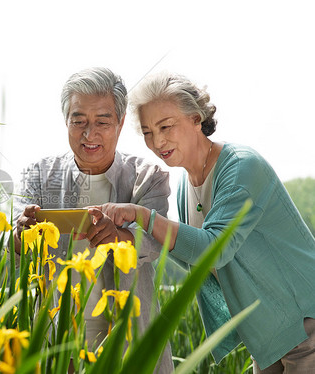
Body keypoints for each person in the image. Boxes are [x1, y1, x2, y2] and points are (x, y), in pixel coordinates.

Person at [94, 71, 315, 373]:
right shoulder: (186, 186)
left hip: (304, 326)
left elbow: (215, 250)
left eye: (165, 126)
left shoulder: (241, 167)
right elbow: (197, 260)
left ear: (196, 118)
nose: (157, 141)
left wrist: (142, 215)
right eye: (147, 132)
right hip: (267, 337)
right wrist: (129, 233)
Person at [13, 67, 174, 373]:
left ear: (121, 122)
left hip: (128, 342)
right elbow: (9, 246)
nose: (90, 134)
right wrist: (21, 234)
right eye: (79, 121)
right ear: (66, 121)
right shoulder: (38, 177)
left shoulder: (147, 178)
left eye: (102, 121)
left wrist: (119, 237)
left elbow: (155, 242)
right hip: (55, 343)